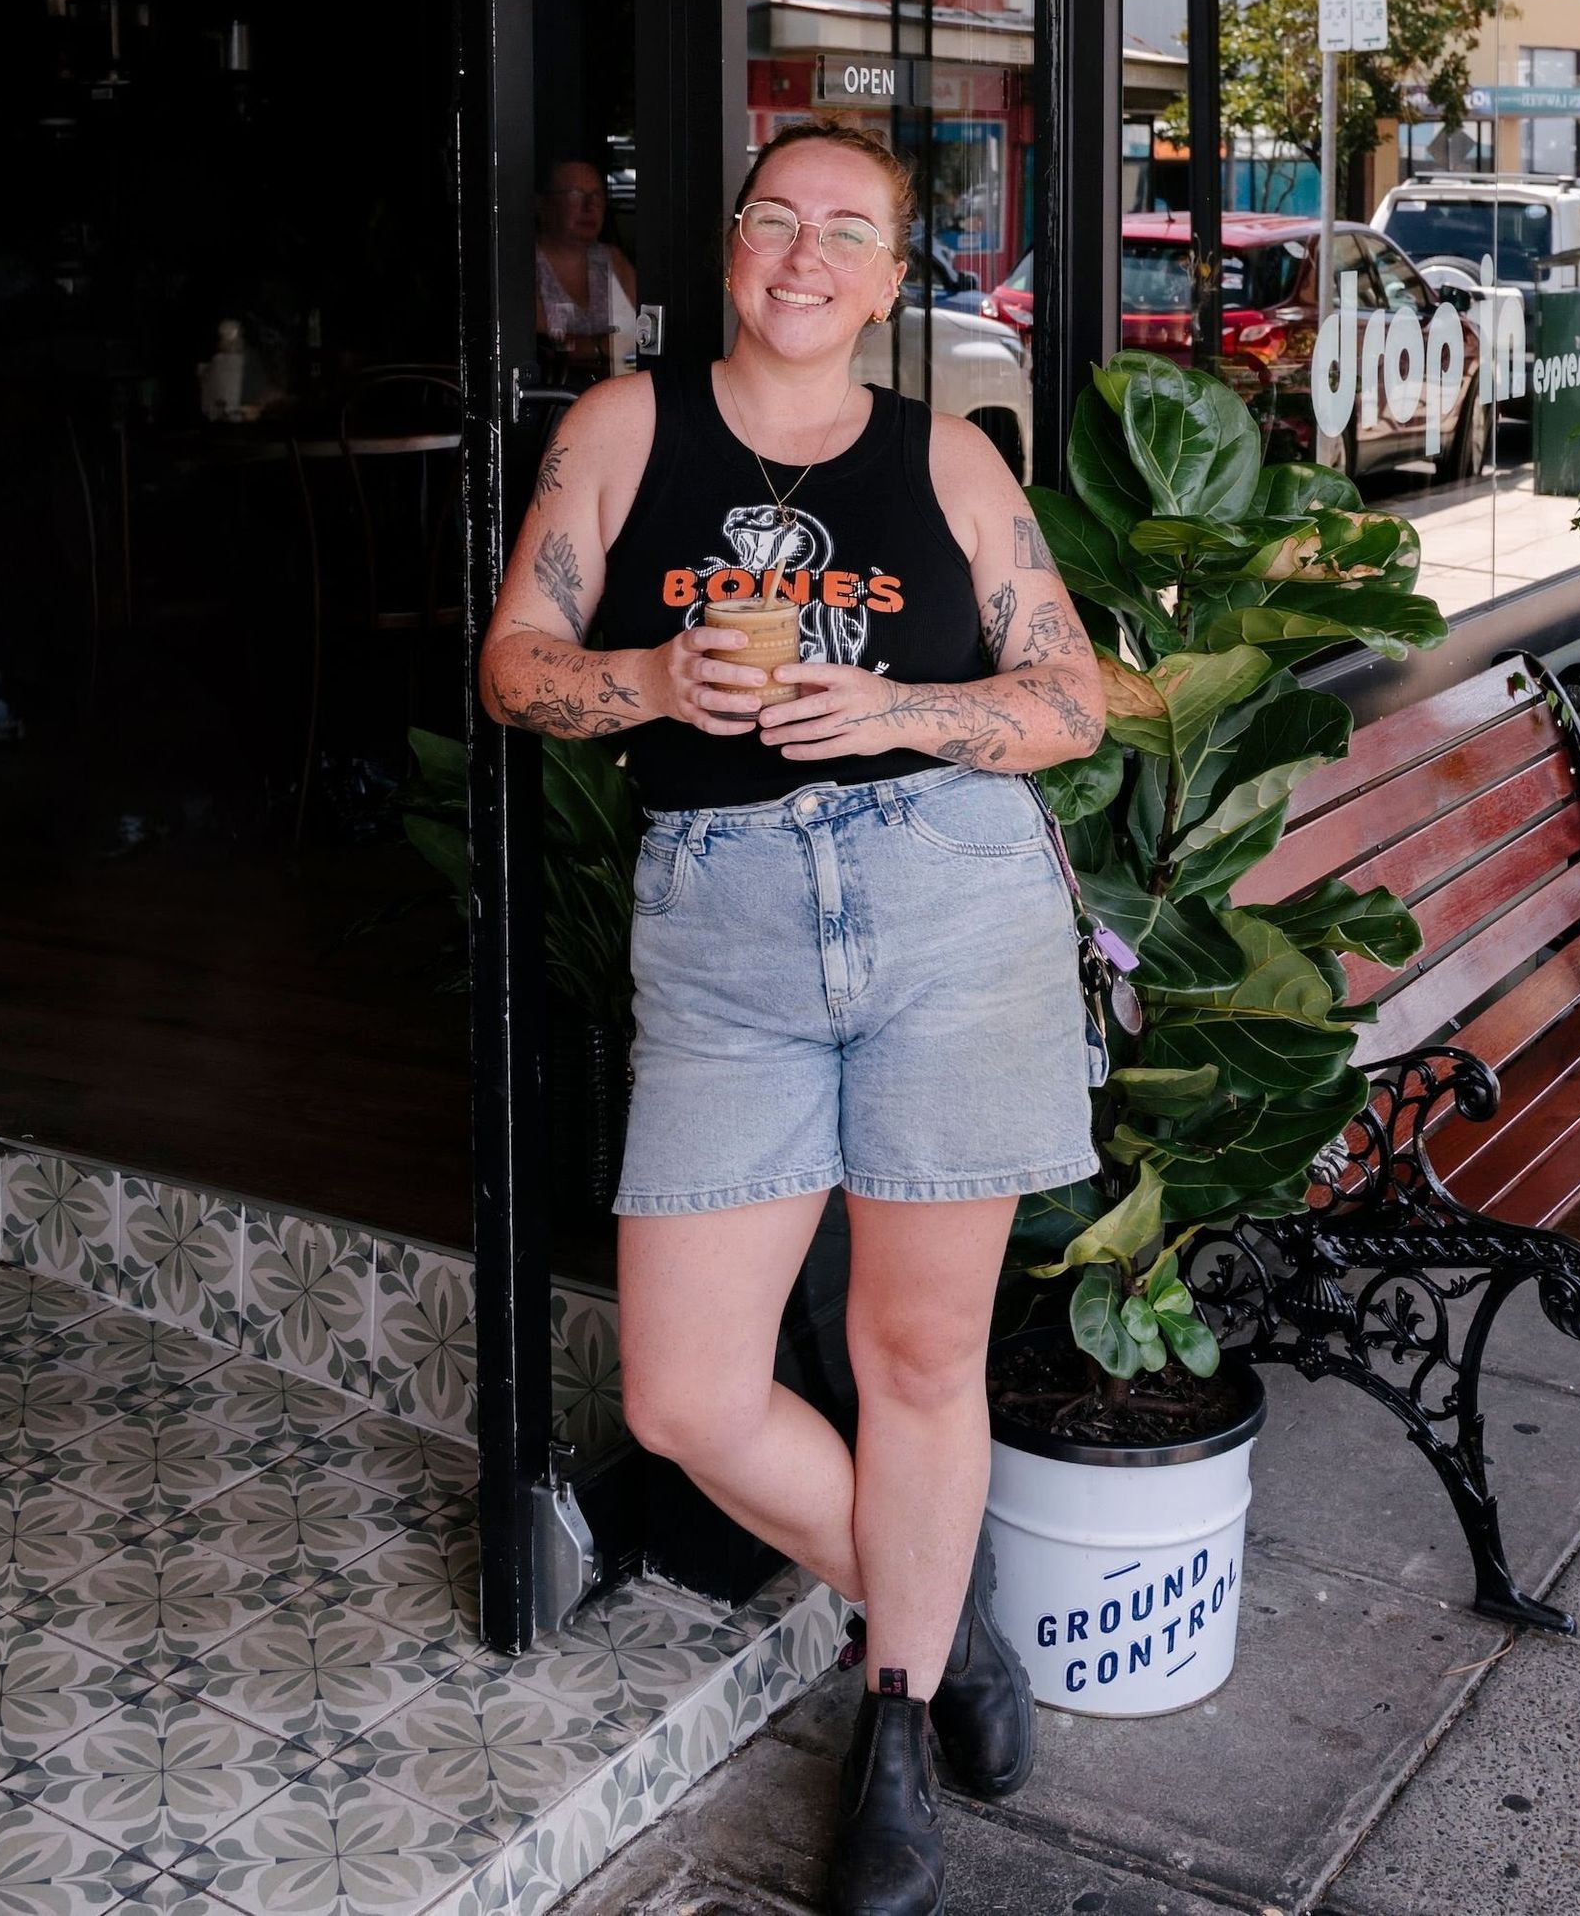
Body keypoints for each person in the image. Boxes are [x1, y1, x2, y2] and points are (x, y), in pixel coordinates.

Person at [481, 119, 1106, 1916]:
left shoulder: (952, 461)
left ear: (897, 277)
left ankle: (892, 1729)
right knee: (685, 1390)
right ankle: (952, 1612)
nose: (805, 251)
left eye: (851, 229)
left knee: (919, 1360)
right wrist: (654, 676)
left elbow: (1064, 700)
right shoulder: (624, 428)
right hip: (727, 930)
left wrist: (907, 712)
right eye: (775, 217)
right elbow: (513, 667)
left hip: (946, 903)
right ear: (733, 245)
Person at [535, 155, 638, 373]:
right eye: (575, 194)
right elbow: (539, 345)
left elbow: (648, 329)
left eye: (597, 195)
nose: (589, 206)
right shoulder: (526, 265)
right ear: (542, 204)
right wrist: (600, 346)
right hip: (552, 397)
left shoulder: (613, 259)